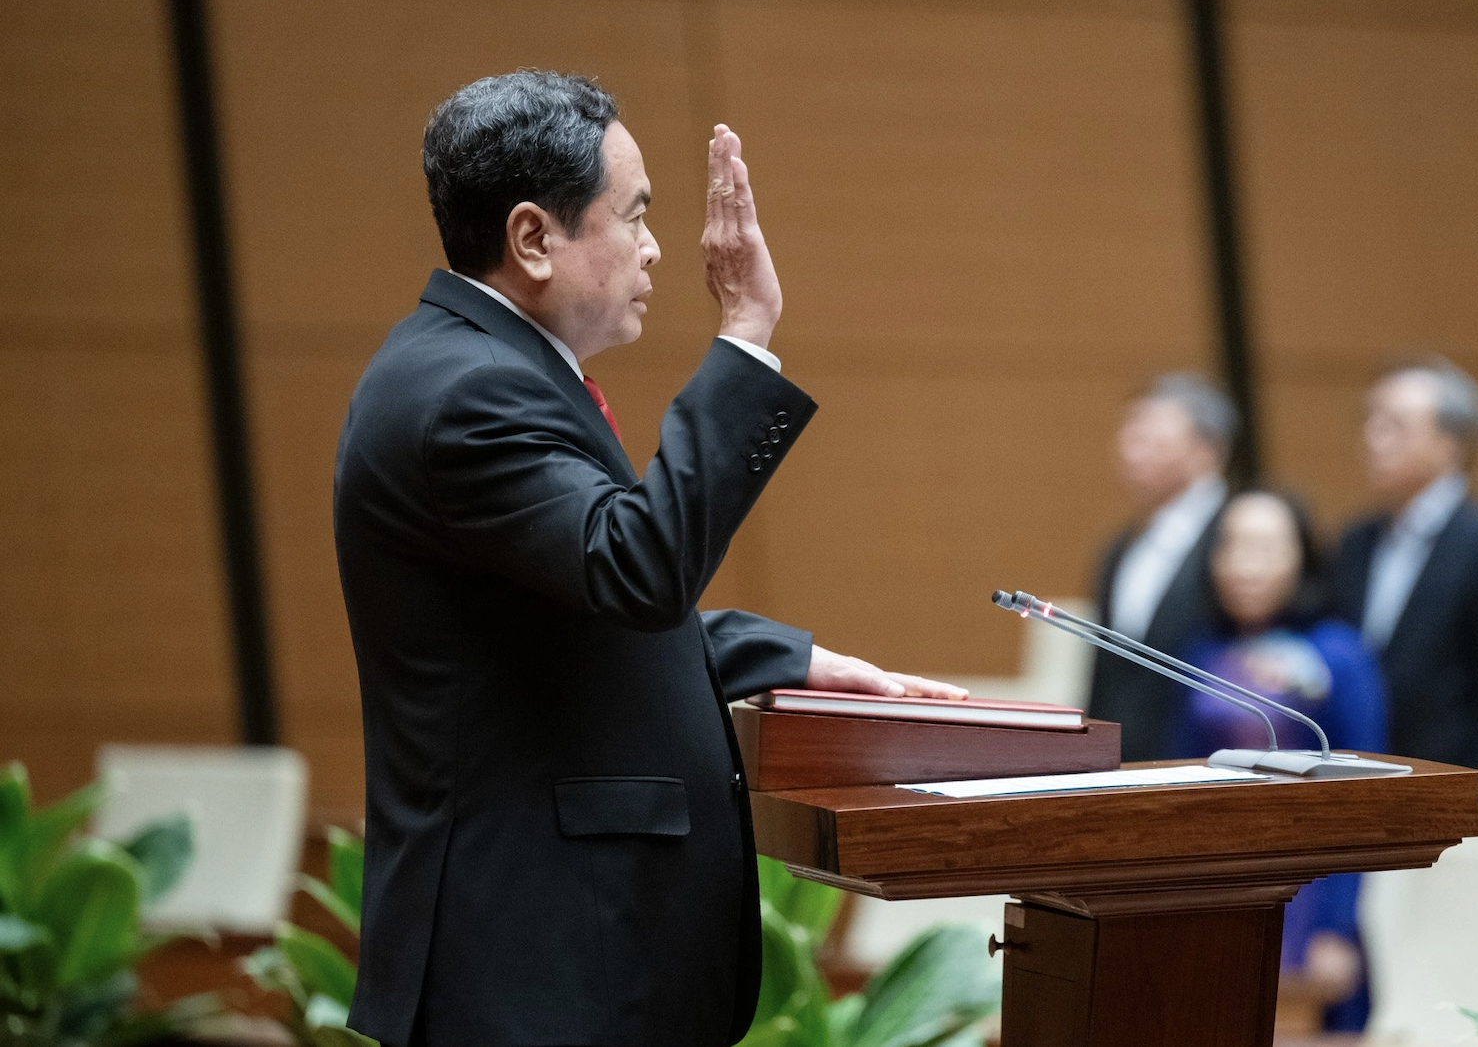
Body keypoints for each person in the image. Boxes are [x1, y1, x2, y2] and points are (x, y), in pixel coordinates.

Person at [333, 70, 965, 1047]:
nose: (656, 246)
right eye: (633, 215)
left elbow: (556, 625)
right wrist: (746, 335)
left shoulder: (479, 369)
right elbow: (635, 570)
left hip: (552, 964)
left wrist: (775, 658)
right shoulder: (469, 392)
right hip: (530, 970)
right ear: (533, 238)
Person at [1168, 490, 1386, 1032]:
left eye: (1265, 548)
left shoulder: (1340, 655)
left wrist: (1336, 926)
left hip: (1311, 890)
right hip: (1210, 882)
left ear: (1302, 560)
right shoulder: (1199, 650)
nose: (1244, 566)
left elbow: (1366, 800)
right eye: (1232, 548)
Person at [1333, 358, 1478, 797]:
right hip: (1356, 777)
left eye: (1393, 426)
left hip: (1444, 783)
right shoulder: (1357, 539)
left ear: (1449, 443)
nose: (1372, 439)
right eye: (1369, 422)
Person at [1088, 372, 1237, 761]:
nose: (1129, 450)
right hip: (1123, 766)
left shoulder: (1239, 535)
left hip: (1211, 763)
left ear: (1208, 450)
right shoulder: (1120, 548)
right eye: (1129, 435)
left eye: (1150, 438)